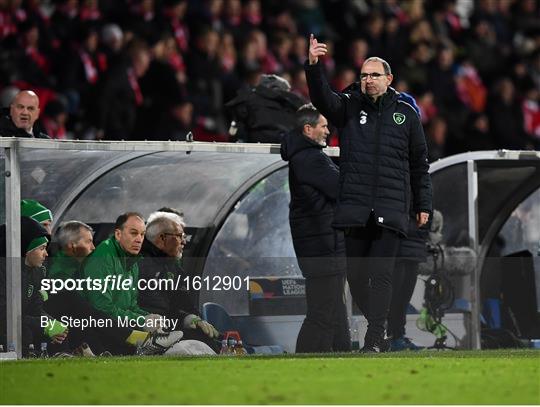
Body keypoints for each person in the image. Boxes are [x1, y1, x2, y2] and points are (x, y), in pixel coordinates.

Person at [305, 35, 432, 352]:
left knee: (381, 274)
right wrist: (313, 67)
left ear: (389, 79)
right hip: (356, 207)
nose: (368, 80)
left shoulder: (406, 114)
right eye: (363, 75)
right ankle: (383, 325)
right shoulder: (347, 107)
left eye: (374, 75)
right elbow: (322, 99)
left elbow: (419, 163)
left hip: (391, 205)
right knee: (357, 277)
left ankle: (375, 338)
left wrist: (423, 204)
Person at [47, 221, 182, 356]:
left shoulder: (84, 271)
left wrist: (144, 317)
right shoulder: (60, 276)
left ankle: (136, 344)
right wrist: (141, 321)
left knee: (91, 312)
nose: (94, 248)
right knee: (87, 308)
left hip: (86, 331)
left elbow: (123, 306)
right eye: (88, 242)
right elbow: (98, 309)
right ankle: (141, 342)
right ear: (72, 245)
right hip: (64, 335)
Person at [281, 104, 350, 353]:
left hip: (323, 248)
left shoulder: (308, 157)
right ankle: (305, 359)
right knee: (322, 313)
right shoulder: (310, 159)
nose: (327, 131)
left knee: (333, 309)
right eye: (323, 126)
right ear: (307, 129)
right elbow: (343, 188)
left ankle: (342, 352)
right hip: (323, 250)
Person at [82, 212, 177, 354]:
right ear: (118, 234)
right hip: (96, 329)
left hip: (119, 324)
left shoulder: (133, 261)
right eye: (134, 233)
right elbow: (102, 308)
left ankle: (152, 342)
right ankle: (149, 343)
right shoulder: (103, 257)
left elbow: (131, 305)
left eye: (142, 234)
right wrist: (141, 320)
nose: (139, 239)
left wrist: (147, 316)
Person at [138, 211, 220, 353]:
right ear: (162, 238)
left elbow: (182, 305)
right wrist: (184, 318)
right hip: (150, 333)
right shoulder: (139, 265)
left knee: (205, 336)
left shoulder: (173, 267)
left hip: (171, 328)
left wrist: (192, 318)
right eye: (180, 236)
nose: (184, 241)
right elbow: (154, 308)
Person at [0, 217, 69, 356]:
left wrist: (50, 322)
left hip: (22, 328)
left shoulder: (36, 272)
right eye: (42, 248)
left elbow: (35, 308)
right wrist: (43, 325)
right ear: (26, 250)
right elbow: (4, 315)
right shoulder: (4, 272)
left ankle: (57, 354)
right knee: (25, 328)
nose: (46, 254)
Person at [225, 74, 305, 143]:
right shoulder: (294, 101)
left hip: (256, 150)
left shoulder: (247, 98)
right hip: (288, 150)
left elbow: (235, 131)